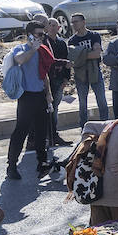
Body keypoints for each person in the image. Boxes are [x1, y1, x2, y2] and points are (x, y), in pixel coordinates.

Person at [4, 20, 56, 181]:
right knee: (21, 131)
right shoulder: (23, 48)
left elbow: (43, 74)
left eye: (43, 34)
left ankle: (42, 163)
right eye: (39, 34)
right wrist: (33, 49)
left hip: (40, 95)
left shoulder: (42, 50)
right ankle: (11, 165)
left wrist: (48, 94)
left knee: (42, 131)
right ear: (30, 35)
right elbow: (19, 60)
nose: (42, 37)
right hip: (26, 96)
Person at [65, 13, 109, 127]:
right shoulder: (72, 41)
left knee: (101, 100)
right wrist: (85, 54)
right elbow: (73, 61)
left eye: (76, 21)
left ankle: (106, 124)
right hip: (80, 73)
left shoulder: (94, 36)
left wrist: (80, 54)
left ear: (84, 22)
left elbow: (96, 54)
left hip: (95, 70)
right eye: (72, 22)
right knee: (82, 102)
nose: (74, 24)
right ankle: (84, 126)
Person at [44, 17, 72, 147]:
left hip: (59, 79)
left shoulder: (61, 43)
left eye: (55, 25)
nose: (52, 27)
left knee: (55, 108)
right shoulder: (44, 42)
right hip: (47, 80)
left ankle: (54, 135)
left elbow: (67, 61)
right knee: (47, 109)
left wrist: (66, 78)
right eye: (50, 24)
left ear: (59, 28)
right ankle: (48, 135)